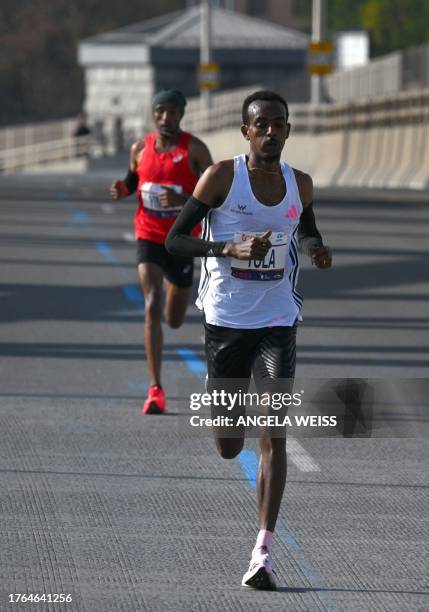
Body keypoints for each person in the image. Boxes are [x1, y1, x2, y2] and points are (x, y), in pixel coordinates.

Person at [166, 90, 332, 590]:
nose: (271, 132)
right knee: (228, 442)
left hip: (278, 322)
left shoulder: (299, 184)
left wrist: (317, 249)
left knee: (273, 433)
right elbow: (175, 239)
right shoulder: (221, 177)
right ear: (246, 131)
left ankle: (263, 550)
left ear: (288, 129)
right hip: (225, 322)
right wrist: (227, 246)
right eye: (261, 124)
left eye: (279, 123)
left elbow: (307, 230)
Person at [110, 90, 213, 414]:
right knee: (151, 303)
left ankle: (175, 286)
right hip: (149, 235)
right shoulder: (140, 148)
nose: (165, 117)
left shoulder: (195, 150)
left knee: (175, 318)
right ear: (153, 114)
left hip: (181, 239)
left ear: (181, 114)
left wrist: (182, 202)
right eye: (160, 111)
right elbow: (132, 180)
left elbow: (217, 196)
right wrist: (122, 189)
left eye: (172, 112)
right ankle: (155, 389)